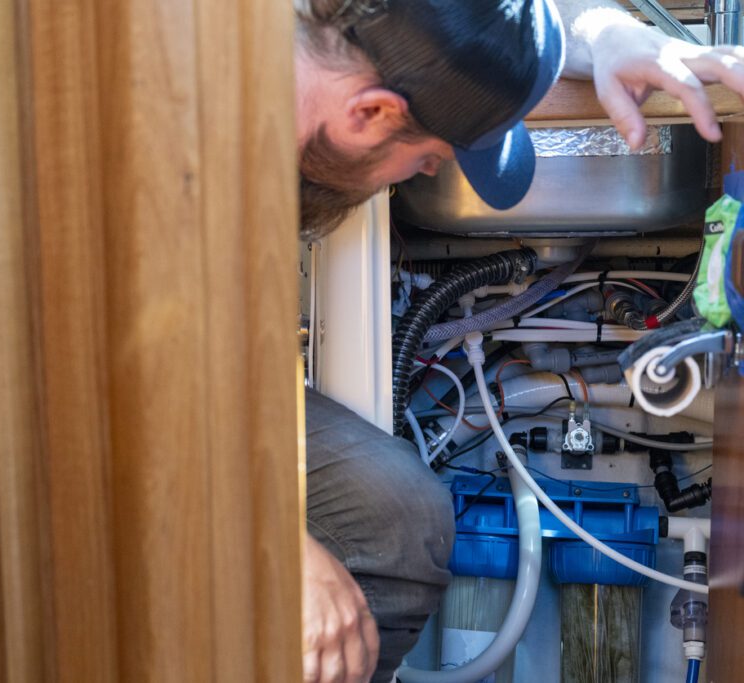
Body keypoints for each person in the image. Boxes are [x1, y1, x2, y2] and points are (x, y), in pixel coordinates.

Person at [294, 1, 744, 682]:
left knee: (392, 517)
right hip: (102, 396)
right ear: (373, 114)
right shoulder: (168, 126)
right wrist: (281, 543)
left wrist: (606, 34)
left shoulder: (340, 38)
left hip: (216, 361)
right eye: (428, 160)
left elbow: (494, 18)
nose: (424, 173)